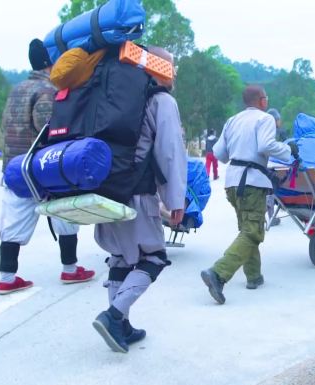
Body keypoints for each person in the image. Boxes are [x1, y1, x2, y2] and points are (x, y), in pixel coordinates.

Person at [92, 46, 187, 353]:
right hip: (138, 192)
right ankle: (114, 316)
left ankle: (123, 326)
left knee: (121, 256)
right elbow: (170, 152)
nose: (174, 74)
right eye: (171, 68)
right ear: (161, 69)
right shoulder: (162, 100)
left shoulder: (112, 100)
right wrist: (176, 199)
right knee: (153, 258)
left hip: (106, 190)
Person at [0, 39, 94, 295]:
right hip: (38, 167)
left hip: (13, 168)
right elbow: (49, 131)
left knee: (13, 221)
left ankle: (7, 277)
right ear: (52, 63)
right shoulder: (48, 91)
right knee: (64, 213)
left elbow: (5, 124)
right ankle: (70, 270)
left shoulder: (16, 89)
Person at [200, 85, 295, 304]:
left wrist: (240, 155)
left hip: (232, 181)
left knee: (246, 229)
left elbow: (219, 153)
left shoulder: (232, 120)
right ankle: (218, 273)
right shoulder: (265, 119)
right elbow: (266, 145)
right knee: (253, 232)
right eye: (266, 98)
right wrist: (288, 151)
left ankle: (254, 276)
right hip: (252, 181)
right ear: (262, 100)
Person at [265, 108, 285, 226]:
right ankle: (271, 216)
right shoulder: (270, 131)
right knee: (272, 185)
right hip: (265, 165)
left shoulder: (270, 130)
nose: (280, 122)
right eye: (278, 120)